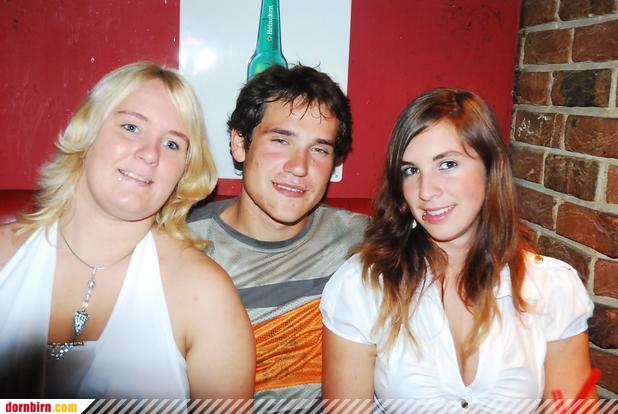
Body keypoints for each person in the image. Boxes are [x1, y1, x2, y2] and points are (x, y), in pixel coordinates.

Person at [320, 88, 596, 412]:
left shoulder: (553, 288)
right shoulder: (362, 285)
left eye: (447, 164)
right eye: (411, 171)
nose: (426, 191)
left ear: (492, 167)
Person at [0, 61, 255, 399]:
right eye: (131, 127)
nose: (149, 154)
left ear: (184, 171)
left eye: (172, 144)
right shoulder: (5, 256)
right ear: (88, 132)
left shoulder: (204, 294)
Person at [188, 64, 368, 405]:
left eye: (319, 149)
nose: (299, 167)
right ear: (240, 143)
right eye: (281, 140)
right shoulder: (179, 247)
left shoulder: (366, 244)